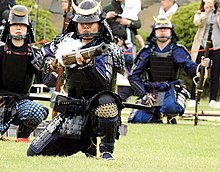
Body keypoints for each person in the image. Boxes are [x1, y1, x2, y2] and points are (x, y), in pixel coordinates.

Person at [27, 0, 124, 160]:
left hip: (97, 109)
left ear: (99, 23)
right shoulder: (65, 41)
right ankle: (85, 144)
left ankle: (107, 150)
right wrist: (49, 63)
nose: (86, 26)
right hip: (71, 108)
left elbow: (104, 84)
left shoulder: (108, 47)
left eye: (91, 23)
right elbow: (39, 54)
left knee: (107, 101)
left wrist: (88, 67)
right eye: (82, 23)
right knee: (34, 152)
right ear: (76, 23)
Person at [127, 15, 210, 124]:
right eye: (160, 29)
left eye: (166, 29)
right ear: (154, 32)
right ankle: (157, 116)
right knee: (137, 119)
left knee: (171, 108)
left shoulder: (178, 50)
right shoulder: (146, 51)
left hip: (170, 89)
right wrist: (143, 95)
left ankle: (171, 114)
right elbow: (133, 76)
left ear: (171, 32)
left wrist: (201, 67)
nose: (163, 32)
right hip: (151, 90)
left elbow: (190, 67)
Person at [0, 5, 48, 142]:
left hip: (21, 101)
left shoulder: (34, 54)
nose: (19, 28)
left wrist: (50, 66)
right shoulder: (0, 51)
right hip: (0, 100)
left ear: (28, 28)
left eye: (22, 25)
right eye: (15, 25)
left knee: (36, 112)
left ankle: (23, 135)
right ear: (9, 27)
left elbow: (46, 79)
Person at [104, 0, 142, 102]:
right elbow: (99, 22)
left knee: (130, 71)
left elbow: (138, 24)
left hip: (130, 46)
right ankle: (112, 95)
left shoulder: (131, 8)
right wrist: (106, 17)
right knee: (113, 70)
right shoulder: (107, 8)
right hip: (113, 46)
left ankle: (126, 97)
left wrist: (128, 22)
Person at [188, 0, 220, 108]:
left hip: (217, 46)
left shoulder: (218, 12)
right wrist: (205, 13)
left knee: (215, 73)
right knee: (198, 71)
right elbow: (197, 23)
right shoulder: (199, 13)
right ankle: (193, 98)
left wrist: (217, 13)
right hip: (202, 46)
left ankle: (213, 99)